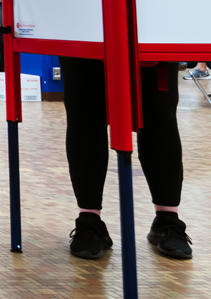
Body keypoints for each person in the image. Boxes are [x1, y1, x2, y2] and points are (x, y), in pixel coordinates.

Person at [61, 58, 190, 261]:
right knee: (84, 110)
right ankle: (89, 220)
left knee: (159, 113)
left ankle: (167, 220)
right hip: (80, 31)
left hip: (151, 32)